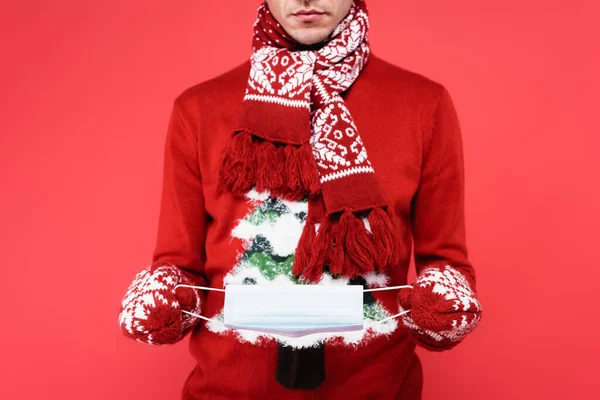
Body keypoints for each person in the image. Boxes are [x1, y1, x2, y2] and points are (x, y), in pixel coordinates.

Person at [117, 0, 482, 398]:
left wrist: (444, 308)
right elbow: (178, 265)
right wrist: (163, 299)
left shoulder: (423, 105)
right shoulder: (199, 109)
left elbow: (447, 264)